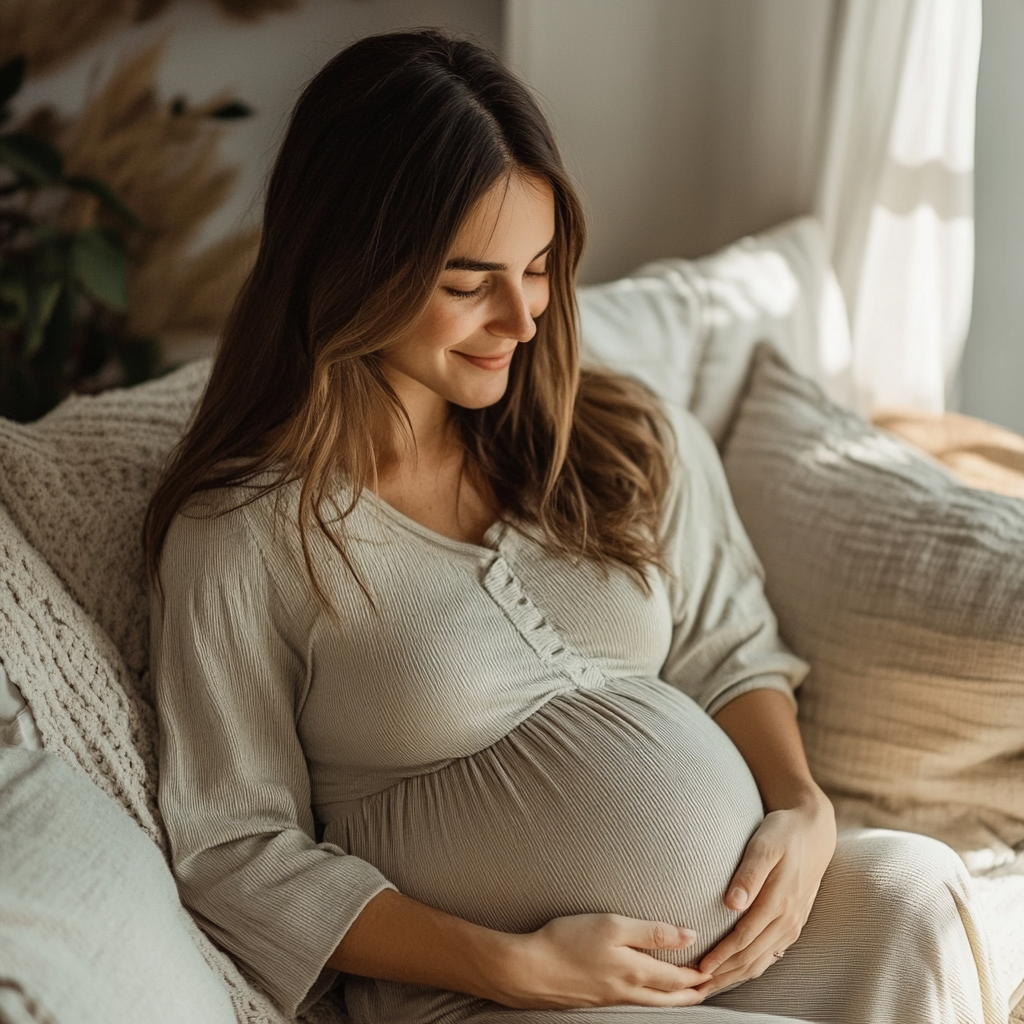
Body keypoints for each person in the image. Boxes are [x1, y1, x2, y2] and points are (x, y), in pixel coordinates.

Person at [144, 29, 997, 1024]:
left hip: (720, 950)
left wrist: (802, 812)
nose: (524, 318)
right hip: (498, 997)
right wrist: (513, 964)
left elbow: (731, 645)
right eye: (470, 283)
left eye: (540, 266)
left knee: (924, 894)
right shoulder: (246, 533)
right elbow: (232, 843)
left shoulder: (615, 435)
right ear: (351, 266)